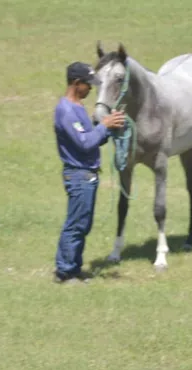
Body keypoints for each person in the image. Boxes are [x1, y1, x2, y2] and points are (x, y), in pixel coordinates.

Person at [52, 62, 125, 284]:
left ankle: (74, 267)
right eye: (88, 84)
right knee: (75, 225)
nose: (91, 89)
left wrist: (110, 128)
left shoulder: (78, 108)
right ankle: (64, 272)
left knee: (83, 224)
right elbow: (84, 143)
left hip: (87, 175)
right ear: (76, 83)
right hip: (78, 175)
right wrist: (104, 125)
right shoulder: (66, 111)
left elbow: (92, 141)